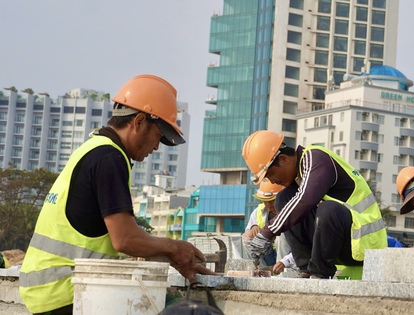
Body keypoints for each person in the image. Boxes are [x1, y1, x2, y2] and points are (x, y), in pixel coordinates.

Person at [19, 74, 215, 314]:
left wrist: (168, 254)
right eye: (158, 137)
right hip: (67, 292)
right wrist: (175, 248)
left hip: (49, 290)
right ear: (139, 121)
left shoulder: (94, 148)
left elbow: (123, 234)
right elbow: (125, 240)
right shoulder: (109, 158)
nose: (156, 147)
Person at [241, 130, 387, 279]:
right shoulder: (299, 176)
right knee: (284, 198)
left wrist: (267, 232)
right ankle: (306, 269)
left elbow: (305, 199)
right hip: (341, 244)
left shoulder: (316, 158)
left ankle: (320, 273)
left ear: (284, 159)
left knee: (328, 209)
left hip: (365, 245)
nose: (272, 181)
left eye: (270, 174)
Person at [242, 178, 295, 271]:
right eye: (264, 201)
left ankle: (283, 272)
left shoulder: (294, 211)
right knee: (248, 238)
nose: (268, 205)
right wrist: (253, 228)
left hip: (289, 258)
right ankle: (258, 270)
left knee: (281, 235)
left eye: (271, 201)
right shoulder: (258, 212)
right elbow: (248, 236)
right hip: (268, 255)